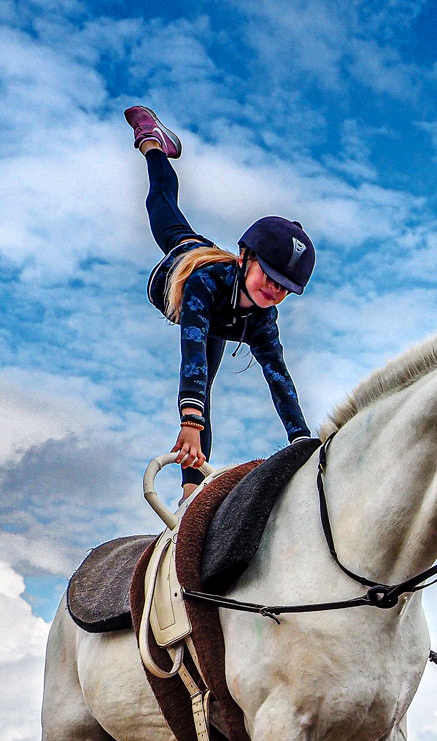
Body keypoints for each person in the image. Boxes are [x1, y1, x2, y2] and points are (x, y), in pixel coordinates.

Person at [124, 105, 315, 498]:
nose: (274, 291)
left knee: (210, 379)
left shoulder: (263, 320)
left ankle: (190, 491)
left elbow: (279, 380)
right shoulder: (205, 284)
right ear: (245, 258)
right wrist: (189, 421)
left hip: (223, 318)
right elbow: (191, 353)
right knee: (159, 202)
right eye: (270, 277)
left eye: (285, 288)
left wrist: (302, 444)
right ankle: (153, 144)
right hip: (187, 255)